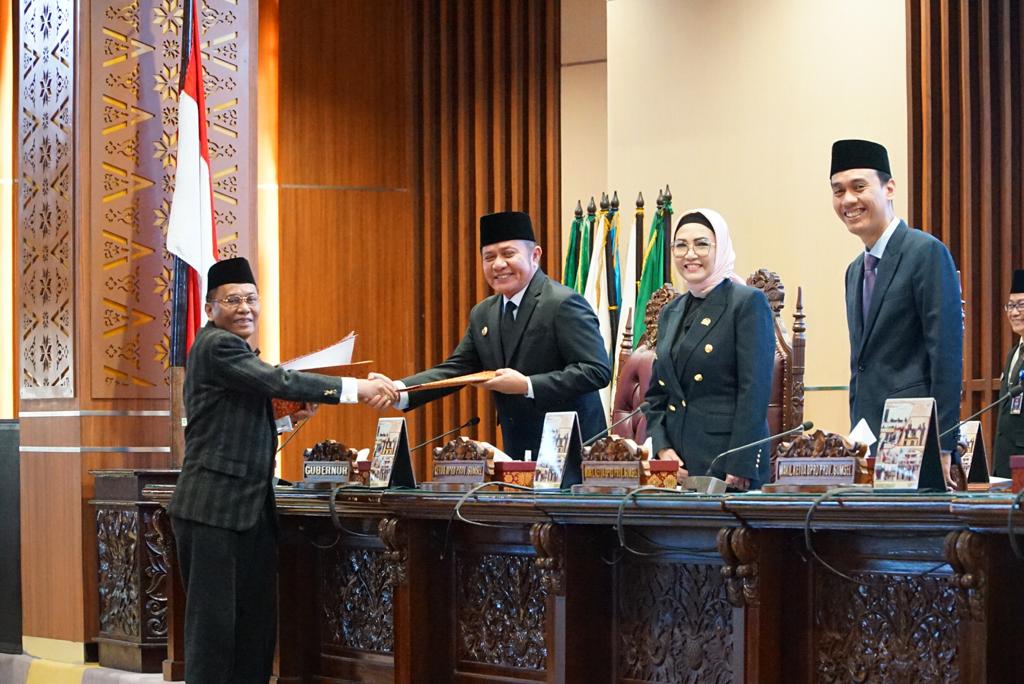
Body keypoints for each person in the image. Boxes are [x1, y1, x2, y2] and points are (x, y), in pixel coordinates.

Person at [167, 257, 396, 684]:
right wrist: (355, 388)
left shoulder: (234, 353)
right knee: (214, 635)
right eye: (232, 300)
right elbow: (280, 381)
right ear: (209, 308)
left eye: (251, 299)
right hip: (212, 510)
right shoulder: (216, 345)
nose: (245, 308)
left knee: (254, 632)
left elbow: (236, 419)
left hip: (249, 511)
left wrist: (288, 417)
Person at [390, 211, 611, 458]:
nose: (498, 264)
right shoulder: (484, 313)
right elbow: (457, 369)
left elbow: (596, 370)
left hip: (572, 451)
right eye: (489, 257)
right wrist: (398, 389)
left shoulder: (562, 303)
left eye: (508, 254)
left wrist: (527, 385)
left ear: (535, 255)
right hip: (517, 450)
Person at [831, 139, 963, 459]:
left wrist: (944, 446)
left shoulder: (925, 252)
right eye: (838, 191)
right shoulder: (854, 272)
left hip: (917, 440)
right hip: (869, 444)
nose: (848, 200)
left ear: (889, 188)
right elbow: (861, 366)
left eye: (859, 187)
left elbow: (945, 356)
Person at [643, 209, 775, 490]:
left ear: (721, 248)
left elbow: (754, 391)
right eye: (681, 245)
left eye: (701, 244)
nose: (690, 254)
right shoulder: (671, 311)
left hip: (726, 463)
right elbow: (656, 395)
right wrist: (662, 448)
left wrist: (740, 462)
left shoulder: (746, 303)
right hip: (676, 465)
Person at [993, 269, 1024, 477]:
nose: (1014, 313)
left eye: (1021, 305)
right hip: (1006, 461)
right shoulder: (1013, 353)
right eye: (1011, 306)